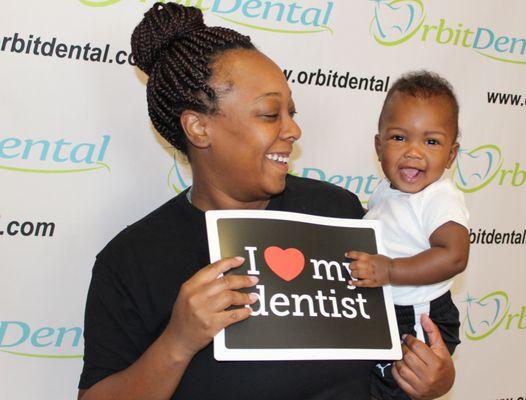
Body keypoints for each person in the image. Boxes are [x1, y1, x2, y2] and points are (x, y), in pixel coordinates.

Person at [77, 3, 455, 400]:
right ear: (199, 127)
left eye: (290, 111)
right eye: (270, 114)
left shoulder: (338, 212)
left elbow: (405, 340)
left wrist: (433, 378)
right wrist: (178, 341)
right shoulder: (133, 260)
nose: (293, 130)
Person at [346, 71, 470, 400]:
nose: (413, 152)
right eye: (400, 138)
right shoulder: (385, 192)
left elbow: (453, 254)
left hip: (417, 317)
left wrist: (390, 270)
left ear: (451, 155)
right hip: (385, 308)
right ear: (379, 145)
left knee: (392, 391)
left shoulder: (439, 197)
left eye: (431, 142)